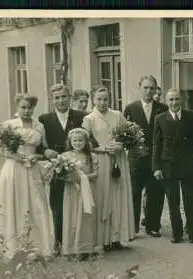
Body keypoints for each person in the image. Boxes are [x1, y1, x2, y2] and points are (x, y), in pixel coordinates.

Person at [0, 93, 55, 259]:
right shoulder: (9, 125)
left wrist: (37, 157)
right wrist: (15, 157)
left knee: (37, 204)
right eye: (23, 107)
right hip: (13, 169)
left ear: (34, 108)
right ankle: (13, 247)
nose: (26, 111)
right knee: (15, 203)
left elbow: (43, 150)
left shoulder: (39, 126)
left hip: (32, 168)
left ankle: (38, 247)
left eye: (30, 108)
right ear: (17, 107)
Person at [152, 88, 193, 246]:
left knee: (191, 200)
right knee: (173, 201)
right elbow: (156, 144)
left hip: (188, 164)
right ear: (166, 101)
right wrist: (156, 167)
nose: (174, 102)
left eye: (177, 99)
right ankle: (177, 233)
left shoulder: (191, 116)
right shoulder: (160, 118)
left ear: (181, 100)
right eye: (170, 100)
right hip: (168, 164)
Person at [82, 85, 135, 252]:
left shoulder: (118, 115)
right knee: (104, 198)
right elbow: (85, 143)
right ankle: (103, 239)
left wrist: (121, 145)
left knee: (118, 197)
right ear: (93, 100)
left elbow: (130, 136)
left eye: (105, 99)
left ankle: (117, 237)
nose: (102, 102)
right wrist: (103, 148)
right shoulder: (89, 119)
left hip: (118, 160)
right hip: (101, 161)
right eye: (99, 99)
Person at [38, 84, 86, 254]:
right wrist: (45, 151)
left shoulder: (80, 116)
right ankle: (59, 242)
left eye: (64, 96)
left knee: (77, 205)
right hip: (56, 168)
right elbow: (37, 145)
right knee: (57, 205)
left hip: (76, 167)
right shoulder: (44, 119)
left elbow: (90, 141)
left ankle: (78, 243)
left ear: (69, 97)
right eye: (57, 97)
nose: (61, 100)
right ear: (52, 100)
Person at [123, 76, 167, 236]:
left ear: (156, 90)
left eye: (152, 88)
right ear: (139, 88)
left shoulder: (162, 108)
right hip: (136, 158)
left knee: (156, 191)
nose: (149, 91)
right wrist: (133, 146)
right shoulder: (130, 108)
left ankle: (152, 225)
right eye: (146, 88)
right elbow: (124, 133)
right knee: (134, 192)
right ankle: (132, 227)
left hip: (156, 158)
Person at [60, 128, 98, 261]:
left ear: (86, 142)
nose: (78, 143)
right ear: (70, 142)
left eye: (81, 140)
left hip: (86, 190)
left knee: (85, 217)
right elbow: (61, 174)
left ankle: (85, 248)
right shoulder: (65, 156)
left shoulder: (91, 156)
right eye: (75, 140)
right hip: (72, 191)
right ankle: (71, 248)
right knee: (72, 216)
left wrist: (82, 177)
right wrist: (70, 177)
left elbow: (95, 174)